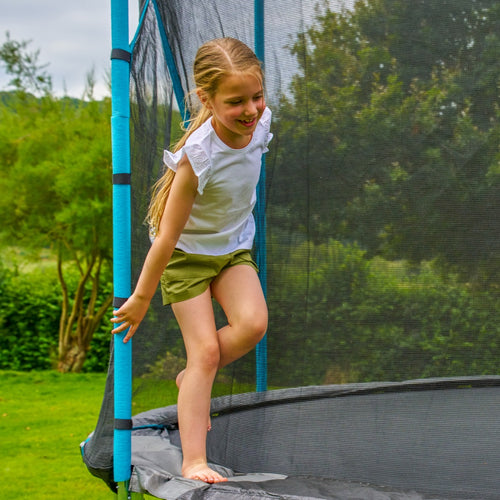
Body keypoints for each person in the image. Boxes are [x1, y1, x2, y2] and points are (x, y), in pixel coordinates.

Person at [111, 37, 272, 484]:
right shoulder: (198, 157)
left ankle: (190, 383)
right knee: (203, 351)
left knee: (253, 325)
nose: (251, 110)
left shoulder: (260, 125)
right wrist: (141, 297)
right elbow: (165, 238)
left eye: (257, 97)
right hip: (185, 257)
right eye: (236, 101)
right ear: (206, 99)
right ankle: (193, 461)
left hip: (232, 247)